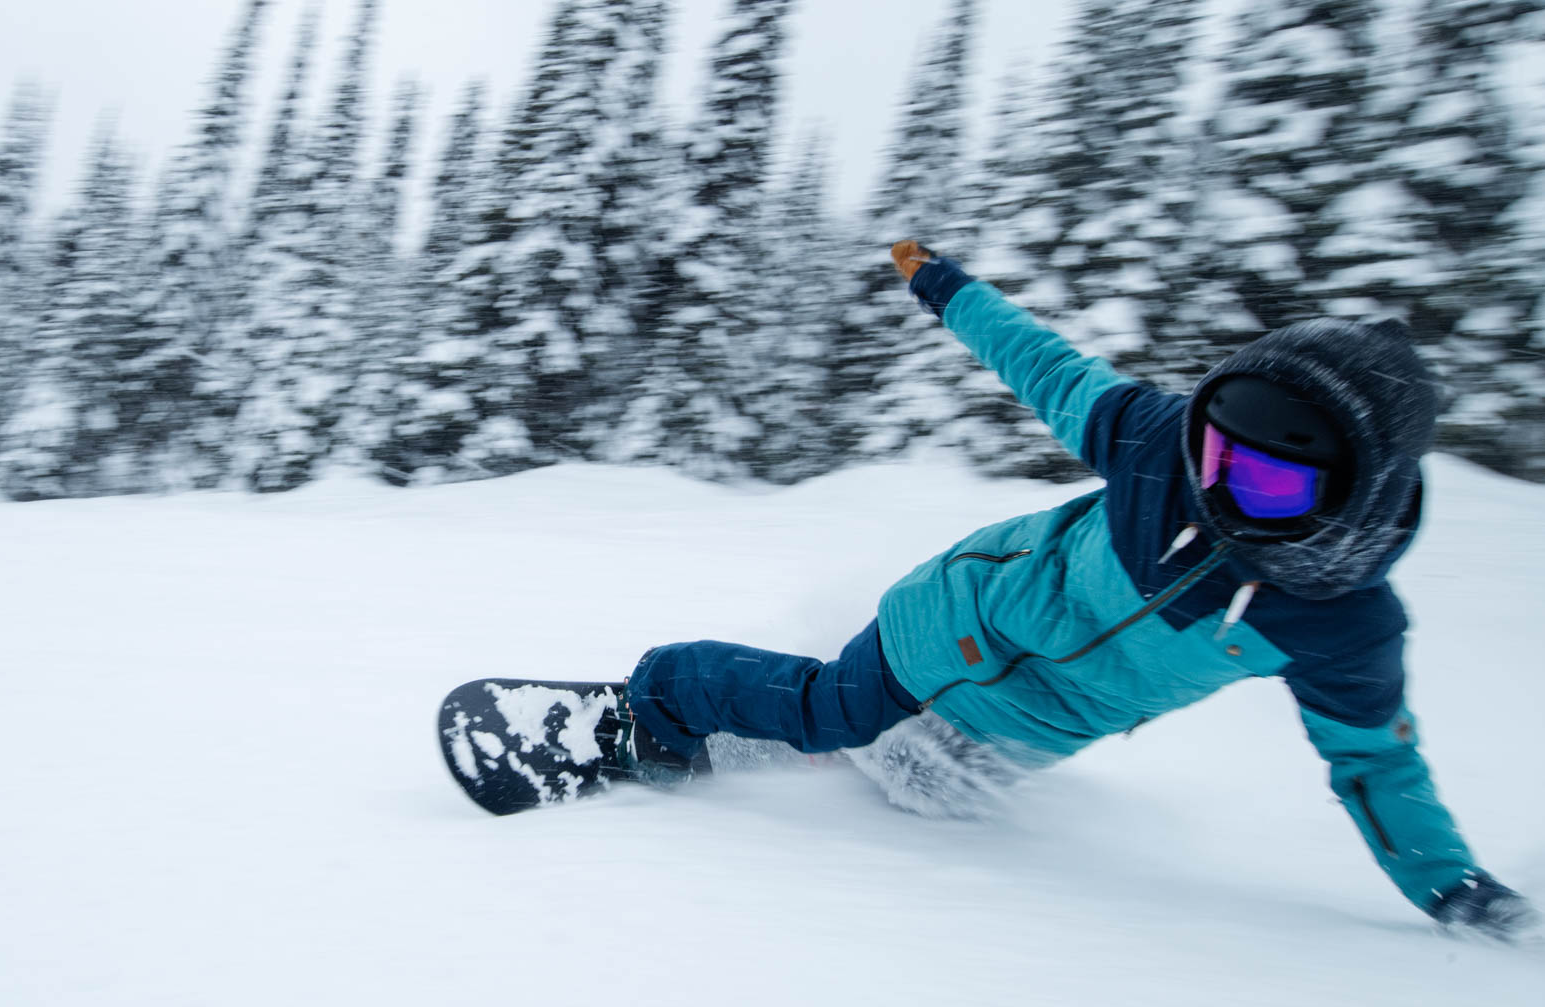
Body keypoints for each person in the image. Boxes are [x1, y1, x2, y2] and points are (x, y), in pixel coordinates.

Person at [612, 240, 1539, 942]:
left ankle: (809, 748)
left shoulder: (1342, 627)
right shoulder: (1157, 449)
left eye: (1264, 483)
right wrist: (943, 286)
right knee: (835, 712)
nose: (1212, 490)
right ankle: (661, 700)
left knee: (926, 795)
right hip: (962, 619)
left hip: (1037, 725)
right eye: (1213, 451)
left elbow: (1376, 765)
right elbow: (1042, 363)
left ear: (1352, 498)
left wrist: (1449, 886)